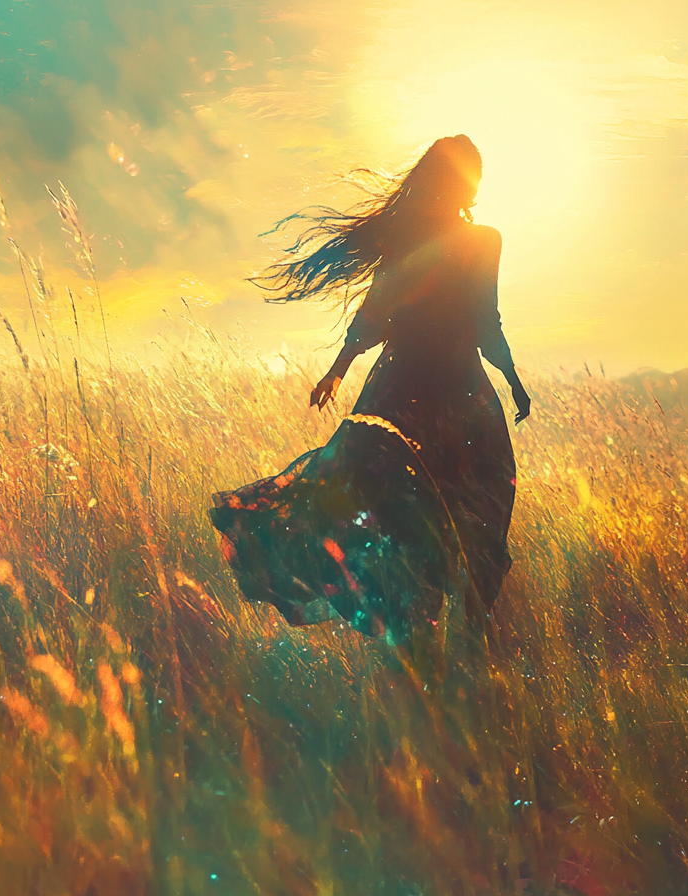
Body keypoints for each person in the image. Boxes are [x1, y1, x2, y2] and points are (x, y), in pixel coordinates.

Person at [210, 135, 530, 649]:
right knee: (450, 506)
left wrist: (512, 379)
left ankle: (450, 637)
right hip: (448, 390)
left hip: (408, 385)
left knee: (432, 505)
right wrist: (338, 367)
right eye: (474, 172)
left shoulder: (435, 240)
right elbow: (454, 317)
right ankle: (444, 637)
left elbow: (394, 314)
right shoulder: (460, 241)